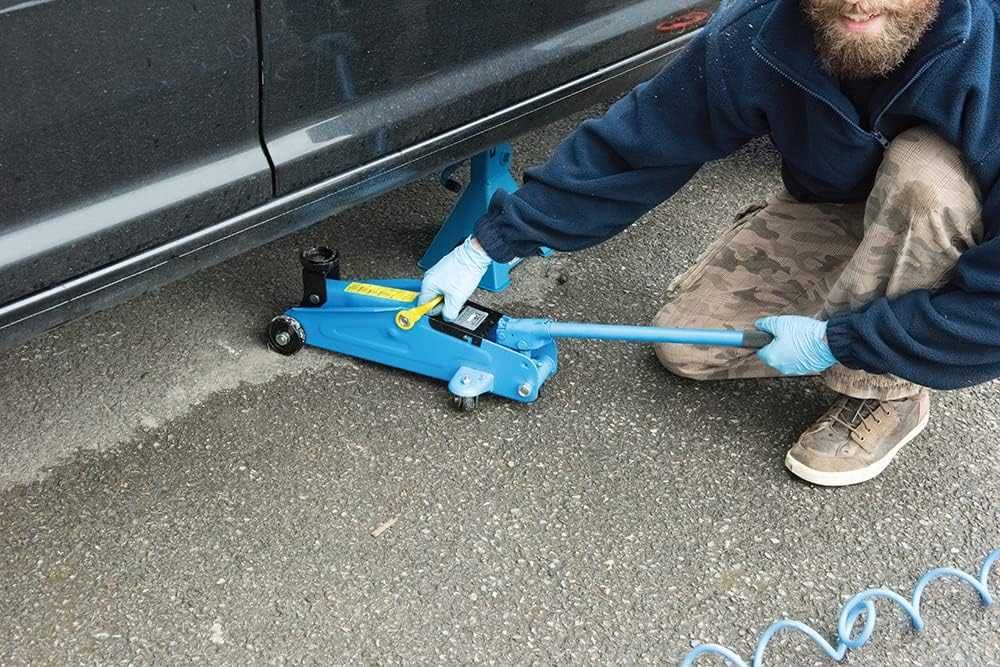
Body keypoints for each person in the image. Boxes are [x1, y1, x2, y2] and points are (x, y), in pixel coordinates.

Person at [418, 0, 1000, 487]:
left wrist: (846, 341)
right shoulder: (762, 33)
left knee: (923, 180)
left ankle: (887, 390)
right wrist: (490, 244)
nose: (859, 1)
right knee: (687, 349)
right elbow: (637, 145)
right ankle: (857, 287)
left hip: (954, 230)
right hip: (834, 208)